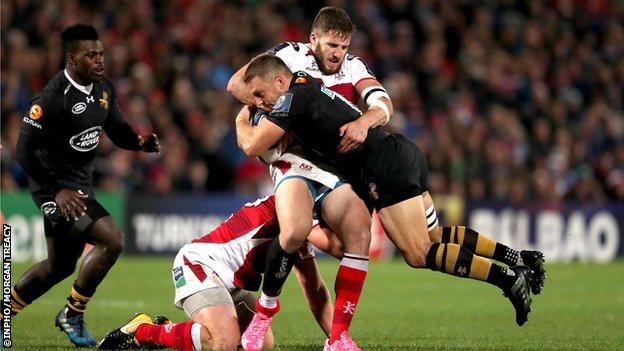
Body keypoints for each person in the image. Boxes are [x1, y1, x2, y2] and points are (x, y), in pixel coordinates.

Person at [236, 54, 547, 332]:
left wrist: (241, 116)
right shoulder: (306, 82)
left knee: (418, 253)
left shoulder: (292, 100)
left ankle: (507, 280)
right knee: (435, 236)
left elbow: (252, 145)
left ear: (280, 80)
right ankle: (518, 258)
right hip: (400, 151)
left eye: (261, 95)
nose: (261, 103)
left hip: (383, 169)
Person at [229, 8, 391, 351]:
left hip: (333, 167)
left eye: (344, 47)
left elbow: (382, 103)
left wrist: (366, 121)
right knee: (294, 232)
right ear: (313, 39)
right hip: (293, 161)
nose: (338, 54)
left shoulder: (354, 67)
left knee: (355, 237)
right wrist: (265, 113)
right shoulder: (288, 55)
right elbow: (236, 85)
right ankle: (263, 315)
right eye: (332, 45)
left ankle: (338, 338)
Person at [11, 24, 160, 347]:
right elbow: (23, 151)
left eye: (101, 54)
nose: (99, 61)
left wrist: (139, 142)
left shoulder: (103, 90)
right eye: (91, 55)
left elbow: (117, 130)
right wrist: (56, 191)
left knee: (59, 265)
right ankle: (72, 313)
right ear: (71, 59)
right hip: (55, 190)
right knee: (113, 240)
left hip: (79, 186)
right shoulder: (51, 99)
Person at [98, 195, 345, 351]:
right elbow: (335, 247)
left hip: (230, 282)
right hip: (199, 264)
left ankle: (168, 329)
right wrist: (358, 244)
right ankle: (141, 331)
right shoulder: (294, 206)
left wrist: (338, 339)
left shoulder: (300, 218)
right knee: (224, 344)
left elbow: (315, 290)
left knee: (261, 346)